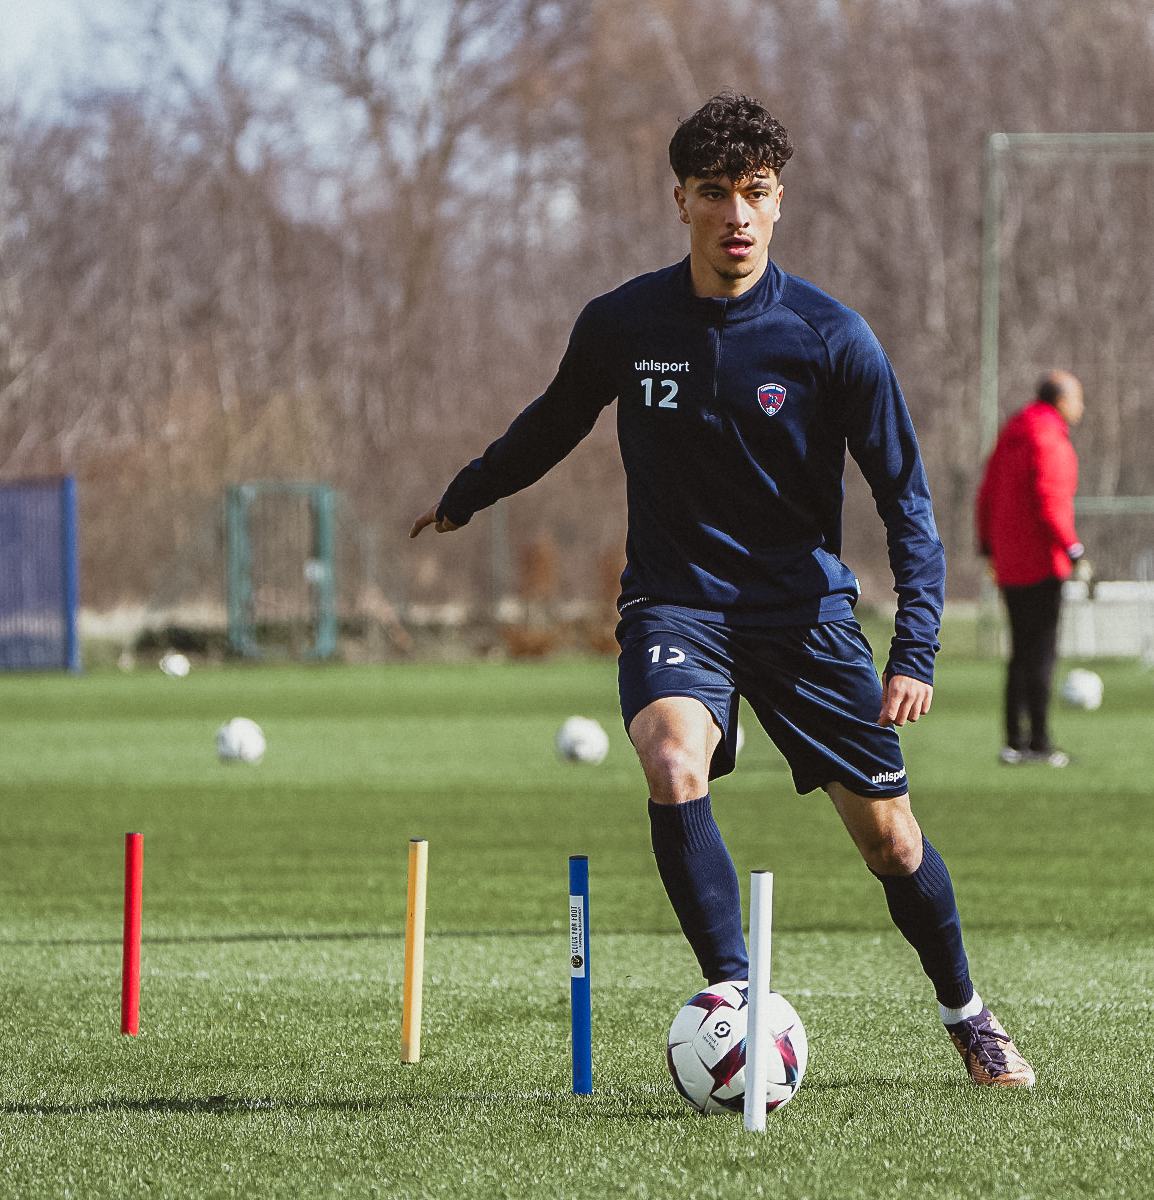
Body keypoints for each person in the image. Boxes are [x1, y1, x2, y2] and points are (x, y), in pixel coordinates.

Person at [410, 93, 1034, 1087]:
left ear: (780, 201)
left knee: (890, 842)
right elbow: (554, 420)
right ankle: (738, 1008)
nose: (735, 215)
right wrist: (468, 494)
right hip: (677, 605)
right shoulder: (623, 323)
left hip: (806, 617)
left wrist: (914, 648)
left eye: (755, 191)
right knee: (671, 761)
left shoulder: (831, 337)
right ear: (681, 202)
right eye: (713, 193)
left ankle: (967, 1013)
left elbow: (906, 501)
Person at [975, 370, 1087, 767]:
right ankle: (1039, 742)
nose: (1082, 406)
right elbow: (1049, 498)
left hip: (1008, 561)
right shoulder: (1048, 437)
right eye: (1078, 398)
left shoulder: (1012, 434)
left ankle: (1014, 741)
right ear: (1060, 401)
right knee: (1041, 652)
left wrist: (988, 546)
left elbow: (986, 493)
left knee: (1020, 652)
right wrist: (1073, 548)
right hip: (1041, 561)